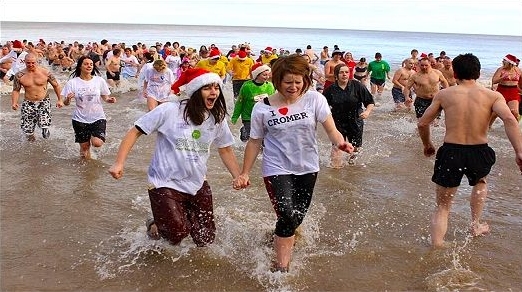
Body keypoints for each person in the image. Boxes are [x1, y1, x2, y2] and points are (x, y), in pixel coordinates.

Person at [234, 55, 355, 272]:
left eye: (298, 82)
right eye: (288, 82)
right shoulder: (262, 108)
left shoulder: (314, 100)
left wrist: (340, 143)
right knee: (287, 214)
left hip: (307, 167)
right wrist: (244, 173)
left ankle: (277, 236)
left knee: (295, 218)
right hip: (276, 167)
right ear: (277, 81)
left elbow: (331, 129)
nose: (293, 87)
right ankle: (282, 268)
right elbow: (254, 142)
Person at [109, 68, 242, 247]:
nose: (214, 92)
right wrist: (119, 163)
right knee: (176, 234)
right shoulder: (169, 110)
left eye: (216, 88)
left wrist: (237, 175)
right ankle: (154, 224)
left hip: (197, 181)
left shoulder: (216, 118)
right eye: (207, 88)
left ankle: (168, 218)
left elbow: (225, 149)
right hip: (164, 181)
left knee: (205, 239)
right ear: (195, 91)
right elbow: (135, 131)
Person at [417, 53, 522, 248]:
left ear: (455, 73)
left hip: (451, 151)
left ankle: (438, 243)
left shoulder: (444, 95)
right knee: (480, 182)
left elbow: (423, 123)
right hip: (479, 150)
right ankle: (475, 224)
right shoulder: (492, 96)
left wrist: (427, 145)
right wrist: (519, 151)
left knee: (443, 206)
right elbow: (509, 119)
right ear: (479, 72)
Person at [62, 56, 117, 159]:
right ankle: (87, 169)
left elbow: (105, 97)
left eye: (91, 64)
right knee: (84, 148)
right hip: (79, 119)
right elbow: (66, 103)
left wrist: (110, 100)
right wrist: (68, 99)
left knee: (97, 143)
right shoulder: (72, 83)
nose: (89, 66)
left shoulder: (99, 80)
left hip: (98, 117)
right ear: (80, 66)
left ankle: (92, 136)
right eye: (86, 64)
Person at [323, 63, 375, 167]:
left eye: (346, 72)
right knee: (337, 147)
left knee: (354, 149)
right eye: (341, 72)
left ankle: (351, 165)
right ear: (336, 75)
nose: (344, 74)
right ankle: (335, 170)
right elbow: (322, 106)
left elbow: (370, 101)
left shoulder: (357, 86)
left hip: (355, 121)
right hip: (337, 123)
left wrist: (367, 112)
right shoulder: (330, 90)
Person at [11, 53, 63, 141]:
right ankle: (33, 147)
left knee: (44, 126)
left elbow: (56, 85)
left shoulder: (45, 73)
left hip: (43, 101)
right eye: (28, 63)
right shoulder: (19, 75)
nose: (30, 65)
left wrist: (60, 100)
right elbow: (16, 90)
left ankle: (45, 131)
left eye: (33, 62)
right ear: (25, 62)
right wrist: (14, 102)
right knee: (28, 132)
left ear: (37, 62)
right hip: (28, 103)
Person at [231, 63, 275, 142]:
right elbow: (240, 102)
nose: (267, 77)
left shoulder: (270, 86)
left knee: (263, 140)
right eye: (264, 75)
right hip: (248, 116)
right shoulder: (247, 86)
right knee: (252, 138)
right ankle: (244, 130)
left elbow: (274, 102)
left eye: (268, 75)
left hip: (263, 116)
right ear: (257, 75)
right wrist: (235, 116)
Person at [403, 57, 449, 122]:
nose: (424, 67)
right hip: (421, 100)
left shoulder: (437, 73)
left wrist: (447, 92)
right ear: (419, 65)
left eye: (426, 65)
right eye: (422, 65)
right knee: (421, 122)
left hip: (435, 100)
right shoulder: (415, 76)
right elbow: (407, 87)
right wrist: (407, 97)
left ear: (430, 64)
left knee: (435, 122)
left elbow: (444, 82)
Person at [490, 54, 521, 124]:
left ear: (510, 63)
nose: (502, 61)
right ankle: (488, 128)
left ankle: (515, 130)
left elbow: (520, 83)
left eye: (504, 60)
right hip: (501, 92)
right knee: (494, 113)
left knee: (515, 113)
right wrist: (502, 78)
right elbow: (494, 80)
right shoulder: (500, 69)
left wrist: (520, 90)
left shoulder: (518, 70)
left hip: (513, 93)